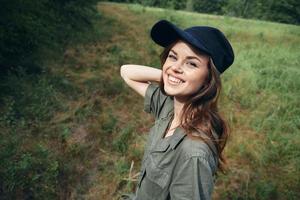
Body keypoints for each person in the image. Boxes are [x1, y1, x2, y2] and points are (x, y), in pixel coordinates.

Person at [119, 20, 234, 200]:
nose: (175, 67)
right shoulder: (169, 105)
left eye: (192, 64)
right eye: (173, 56)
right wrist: (170, 76)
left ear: (208, 79)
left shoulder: (193, 153)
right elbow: (127, 72)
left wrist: (175, 78)